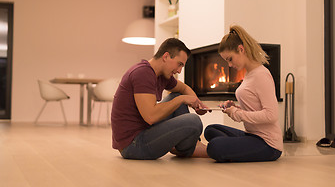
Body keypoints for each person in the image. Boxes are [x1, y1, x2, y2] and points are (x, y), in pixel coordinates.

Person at [111, 38, 209, 160]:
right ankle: (190, 148)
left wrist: (197, 104)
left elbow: (183, 88)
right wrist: (182, 100)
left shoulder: (161, 75)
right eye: (179, 64)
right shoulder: (142, 73)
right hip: (133, 145)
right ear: (166, 56)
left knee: (177, 96)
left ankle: (188, 146)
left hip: (144, 131)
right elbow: (151, 116)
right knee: (193, 121)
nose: (179, 70)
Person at [204, 24, 283, 162]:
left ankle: (231, 149)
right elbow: (255, 108)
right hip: (252, 135)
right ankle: (237, 149)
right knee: (210, 130)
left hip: (268, 143)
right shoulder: (249, 74)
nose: (229, 65)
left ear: (241, 49)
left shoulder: (261, 75)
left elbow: (271, 115)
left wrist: (237, 113)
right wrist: (234, 108)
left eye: (230, 59)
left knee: (214, 147)